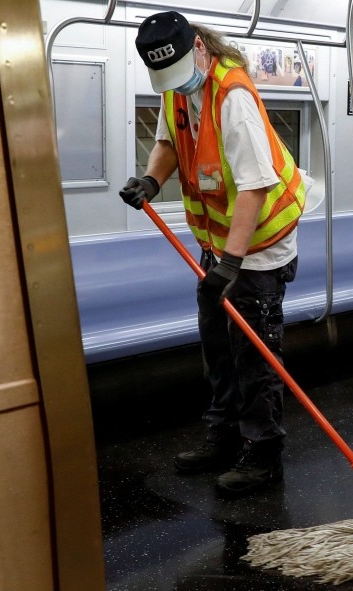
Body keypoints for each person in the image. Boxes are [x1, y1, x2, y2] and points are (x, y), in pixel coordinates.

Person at [121, 11, 307, 498]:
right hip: (217, 246)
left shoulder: (234, 97)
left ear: (200, 48)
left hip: (259, 248)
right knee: (217, 348)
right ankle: (224, 436)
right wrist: (151, 180)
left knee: (254, 356)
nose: (177, 84)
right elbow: (168, 142)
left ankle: (263, 454)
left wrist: (231, 264)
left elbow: (254, 189)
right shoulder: (176, 86)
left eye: (182, 71)